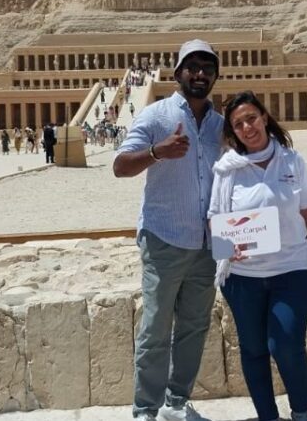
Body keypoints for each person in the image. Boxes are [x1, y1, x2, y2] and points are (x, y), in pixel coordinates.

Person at [114, 39, 223, 421]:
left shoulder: (221, 126)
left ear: (215, 75)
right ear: (177, 73)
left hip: (208, 245)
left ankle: (177, 404)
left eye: (207, 67)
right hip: (164, 239)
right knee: (156, 328)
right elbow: (120, 166)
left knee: (194, 328)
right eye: (192, 66)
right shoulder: (156, 115)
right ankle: (145, 409)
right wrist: (158, 152)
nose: (199, 74)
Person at [208, 91, 307, 421]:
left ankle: (302, 412)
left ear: (264, 117)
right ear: (232, 131)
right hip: (243, 276)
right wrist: (229, 249)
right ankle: (267, 416)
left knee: (286, 345)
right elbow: (216, 217)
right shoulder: (227, 170)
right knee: (253, 350)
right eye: (238, 123)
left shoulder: (292, 161)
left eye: (252, 118)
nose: (247, 127)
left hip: (291, 268)